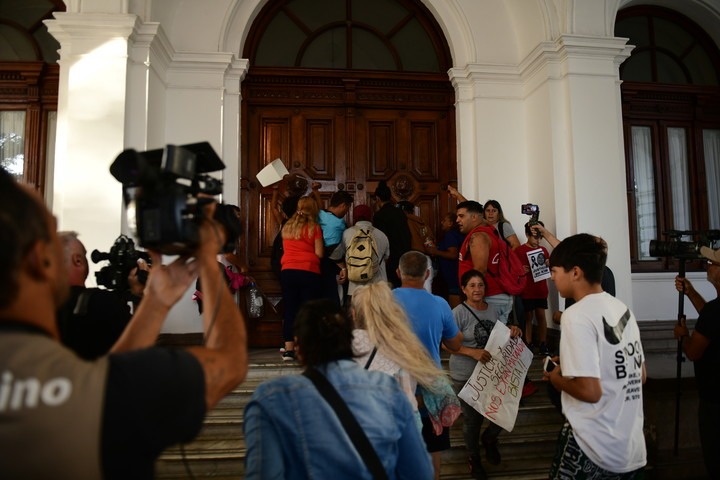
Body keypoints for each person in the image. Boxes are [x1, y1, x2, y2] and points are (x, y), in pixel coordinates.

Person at [0, 167, 248, 479]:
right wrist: (209, 261)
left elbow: (105, 374)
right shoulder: (87, 392)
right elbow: (230, 362)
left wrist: (154, 304)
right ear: (40, 259)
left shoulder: (80, 382)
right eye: (52, 233)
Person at [243, 298, 434, 480]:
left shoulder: (272, 398)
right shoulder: (387, 389)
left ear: (298, 348)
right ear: (349, 339)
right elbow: (419, 473)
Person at [545, 234, 646, 479]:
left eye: (555, 271)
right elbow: (639, 375)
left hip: (592, 443)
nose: (552, 277)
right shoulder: (622, 310)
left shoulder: (576, 315)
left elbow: (591, 392)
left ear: (575, 272)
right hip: (629, 446)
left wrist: (555, 377)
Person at [393, 250, 463, 480]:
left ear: (398, 273)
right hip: (430, 393)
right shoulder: (439, 304)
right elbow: (454, 344)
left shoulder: (384, 301)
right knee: (433, 466)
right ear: (427, 274)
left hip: (395, 392)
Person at [449, 269, 523, 480]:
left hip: (491, 372)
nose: (477, 289)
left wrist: (512, 329)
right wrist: (471, 351)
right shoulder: (458, 313)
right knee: (472, 421)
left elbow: (498, 334)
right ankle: (474, 458)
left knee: (502, 413)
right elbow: (446, 344)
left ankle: (489, 439)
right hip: (465, 375)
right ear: (463, 289)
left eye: (480, 285)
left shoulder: (492, 310)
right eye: (472, 285)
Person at [350, 282, 446, 424]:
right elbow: (438, 389)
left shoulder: (339, 348)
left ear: (353, 314)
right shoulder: (405, 346)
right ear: (390, 311)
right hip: (401, 429)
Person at [56, 231, 146, 359]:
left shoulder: (38, 306)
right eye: (85, 256)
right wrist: (137, 293)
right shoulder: (101, 302)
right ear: (77, 260)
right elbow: (140, 344)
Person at [673, 246, 720, 480]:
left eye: (713, 264)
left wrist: (683, 335)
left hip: (715, 404)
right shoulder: (713, 310)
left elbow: (693, 352)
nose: (708, 267)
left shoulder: (714, 312)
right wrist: (691, 293)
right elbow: (712, 320)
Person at [280, 195, 324, 360]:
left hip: (288, 271)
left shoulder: (287, 227)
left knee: (290, 309)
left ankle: (289, 349)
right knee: (308, 311)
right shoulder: (314, 228)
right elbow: (319, 253)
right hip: (308, 271)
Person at [455, 200, 514, 324]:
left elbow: (479, 271)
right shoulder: (487, 230)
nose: (457, 220)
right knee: (494, 340)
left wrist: (472, 298)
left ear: (474, 217)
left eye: (461, 216)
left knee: (488, 341)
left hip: (490, 298)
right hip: (493, 297)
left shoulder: (478, 237)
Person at [329, 204, 389, 299]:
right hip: (378, 287)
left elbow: (335, 254)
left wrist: (344, 269)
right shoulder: (382, 235)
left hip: (355, 288)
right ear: (370, 216)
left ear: (354, 217)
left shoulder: (346, 233)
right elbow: (386, 258)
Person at [312, 182, 353, 304]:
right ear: (343, 205)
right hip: (330, 267)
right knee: (333, 302)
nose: (346, 211)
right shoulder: (338, 224)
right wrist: (343, 268)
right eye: (347, 208)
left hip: (314, 265)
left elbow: (322, 209)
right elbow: (333, 250)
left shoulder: (318, 214)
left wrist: (315, 192)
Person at [515, 221, 550, 355]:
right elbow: (514, 268)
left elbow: (549, 265)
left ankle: (543, 343)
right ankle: (528, 342)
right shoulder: (519, 251)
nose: (538, 240)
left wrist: (548, 263)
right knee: (528, 316)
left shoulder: (544, 250)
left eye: (540, 237)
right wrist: (520, 270)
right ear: (527, 235)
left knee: (541, 315)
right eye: (535, 237)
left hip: (540, 289)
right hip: (527, 290)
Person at [373, 180, 411, 288]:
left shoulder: (380, 216)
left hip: (389, 261)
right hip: (404, 258)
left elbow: (380, 241)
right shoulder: (400, 213)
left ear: (377, 198)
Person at [425, 212, 465, 308]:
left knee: (455, 313)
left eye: (444, 221)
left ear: (451, 223)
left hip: (454, 278)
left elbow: (453, 254)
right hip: (455, 277)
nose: (441, 223)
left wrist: (435, 251)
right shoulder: (457, 234)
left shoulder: (450, 234)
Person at [398, 200, 436, 293]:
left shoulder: (401, 222)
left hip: (407, 259)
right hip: (424, 258)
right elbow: (430, 244)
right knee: (426, 291)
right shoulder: (422, 223)